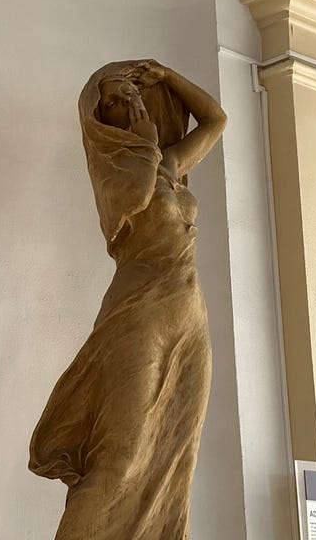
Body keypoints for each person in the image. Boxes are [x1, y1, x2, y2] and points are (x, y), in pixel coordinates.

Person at [29, 59, 227, 539]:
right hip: (139, 314)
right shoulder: (113, 173)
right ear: (101, 120)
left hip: (190, 316)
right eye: (117, 101)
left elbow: (216, 120)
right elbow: (136, 196)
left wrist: (167, 76)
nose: (131, 104)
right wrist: (146, 145)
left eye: (134, 95)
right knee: (120, 457)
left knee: (178, 455)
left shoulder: (169, 166)